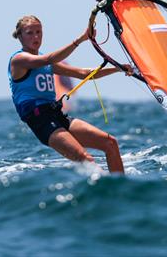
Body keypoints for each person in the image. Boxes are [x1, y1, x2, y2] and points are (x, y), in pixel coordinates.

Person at [8, 15, 132, 173]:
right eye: (30, 33)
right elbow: (49, 58)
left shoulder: (46, 62)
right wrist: (80, 40)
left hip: (57, 114)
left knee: (110, 143)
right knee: (85, 159)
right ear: (20, 36)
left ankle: (120, 187)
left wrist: (119, 68)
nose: (36, 36)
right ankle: (104, 192)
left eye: (39, 32)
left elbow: (84, 73)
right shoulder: (19, 60)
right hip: (40, 120)